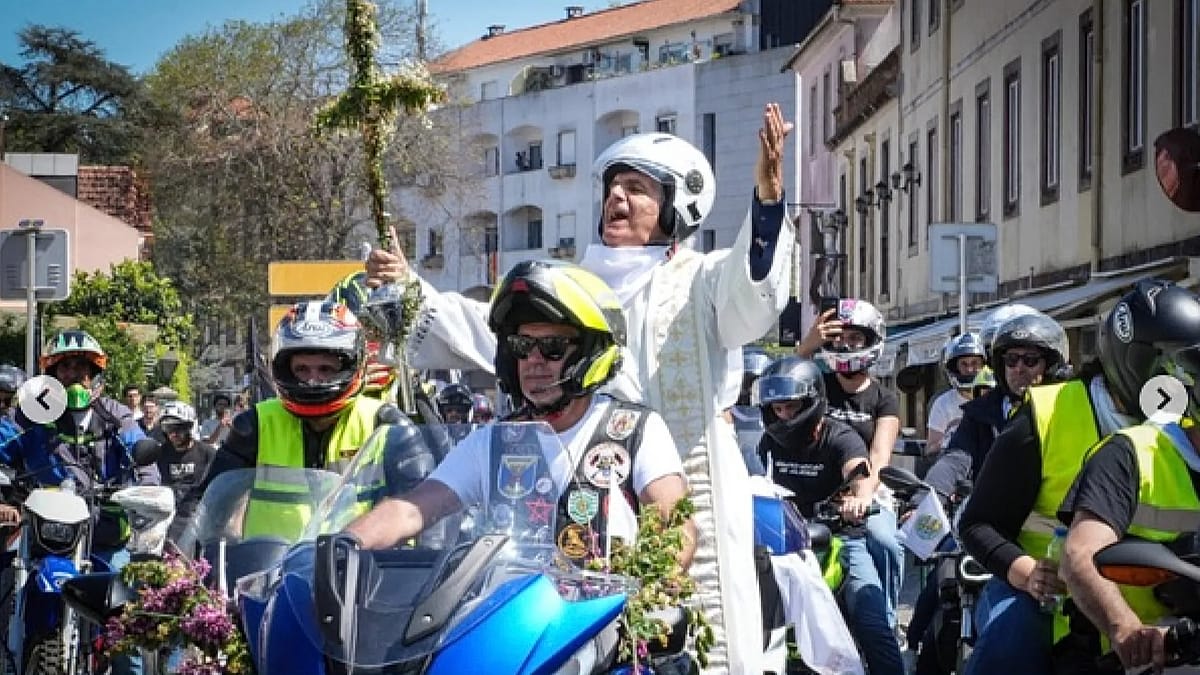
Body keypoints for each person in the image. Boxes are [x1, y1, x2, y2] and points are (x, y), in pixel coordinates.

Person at [361, 105, 796, 673]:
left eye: (636, 189)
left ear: (676, 207)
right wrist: (411, 290)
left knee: (697, 639)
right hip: (560, 475)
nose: (616, 198)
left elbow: (752, 292)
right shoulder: (573, 285)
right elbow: (486, 328)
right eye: (613, 187)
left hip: (683, 468)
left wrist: (764, 204)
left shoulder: (702, 277)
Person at [347, 260, 696, 573]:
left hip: (605, 634)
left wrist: (653, 587)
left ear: (590, 353)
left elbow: (677, 531)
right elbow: (410, 510)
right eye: (522, 346)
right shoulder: (495, 441)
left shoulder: (634, 431)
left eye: (553, 347)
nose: (534, 360)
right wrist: (339, 546)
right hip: (513, 634)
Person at [956, 298, 1147, 675]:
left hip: (1149, 599)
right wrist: (1028, 574)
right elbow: (976, 520)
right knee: (1010, 637)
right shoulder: (1033, 415)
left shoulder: (1181, 424)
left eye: (1031, 360)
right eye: (1011, 360)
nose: (1020, 370)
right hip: (1047, 597)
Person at [208, 300, 452, 538]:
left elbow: (426, 510)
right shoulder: (257, 424)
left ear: (352, 365)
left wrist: (426, 566)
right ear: (283, 368)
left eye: (325, 369)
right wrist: (178, 564)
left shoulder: (387, 425)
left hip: (364, 572)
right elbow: (206, 504)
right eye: (301, 369)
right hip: (270, 574)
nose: (313, 380)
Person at [1056, 280, 1200, 673]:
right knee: (1006, 646)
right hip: (1143, 654)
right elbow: (1081, 554)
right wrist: (1126, 629)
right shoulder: (1130, 453)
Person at [0, 330, 157, 675]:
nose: (74, 376)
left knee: (127, 630)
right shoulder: (31, 415)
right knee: (5, 586)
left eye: (82, 368)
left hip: (105, 535)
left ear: (96, 375)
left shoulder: (116, 415)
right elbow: (2, 447)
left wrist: (144, 494)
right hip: (44, 538)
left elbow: (144, 461)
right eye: (65, 368)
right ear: (51, 376)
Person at [754, 356, 904, 675]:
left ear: (812, 402)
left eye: (791, 407)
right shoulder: (768, 443)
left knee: (872, 623)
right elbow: (754, 479)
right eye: (777, 409)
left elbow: (860, 472)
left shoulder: (840, 437)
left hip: (841, 538)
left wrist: (859, 499)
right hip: (786, 545)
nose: (784, 416)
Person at [795, 298, 905, 638]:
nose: (845, 345)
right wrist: (807, 346)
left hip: (866, 489)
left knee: (885, 540)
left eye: (855, 338)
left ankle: (885, 618)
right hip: (814, 487)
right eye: (839, 338)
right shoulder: (819, 387)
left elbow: (880, 455)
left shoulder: (884, 398)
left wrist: (861, 496)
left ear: (872, 342)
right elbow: (784, 385)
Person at [155, 401, 216, 543]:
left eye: (179, 428)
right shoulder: (159, 454)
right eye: (168, 429)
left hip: (199, 516)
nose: (174, 434)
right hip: (166, 515)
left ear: (189, 427)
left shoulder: (207, 453)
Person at [926, 333, 987, 454]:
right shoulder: (942, 404)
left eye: (975, 363)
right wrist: (951, 440)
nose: (969, 370)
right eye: (964, 364)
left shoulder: (995, 399)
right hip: (954, 465)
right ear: (954, 367)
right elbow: (930, 449)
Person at [732, 349, 772, 476]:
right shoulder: (725, 415)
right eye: (746, 382)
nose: (749, 389)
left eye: (755, 382)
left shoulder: (777, 414)